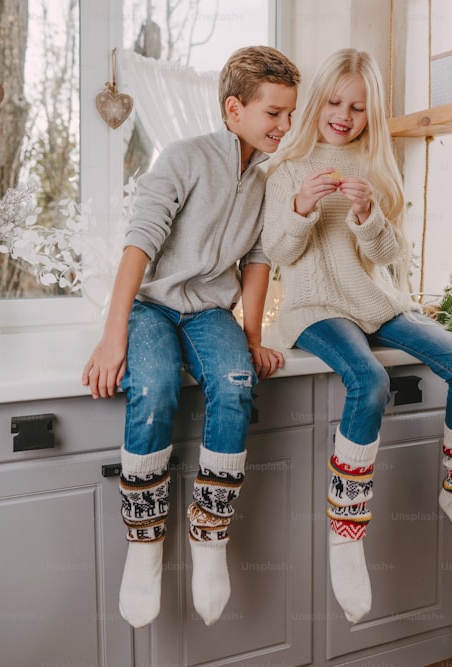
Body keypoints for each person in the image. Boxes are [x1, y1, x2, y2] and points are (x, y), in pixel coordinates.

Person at [262, 48, 452, 624]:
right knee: (367, 380)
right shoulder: (284, 169)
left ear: (371, 115)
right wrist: (301, 207)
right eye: (336, 102)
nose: (344, 116)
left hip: (377, 302)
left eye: (359, 108)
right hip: (315, 307)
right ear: (318, 100)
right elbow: (276, 253)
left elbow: (390, 257)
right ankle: (346, 534)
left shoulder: (374, 167)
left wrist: (369, 217)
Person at [81, 45, 300, 629]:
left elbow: (256, 260)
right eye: (273, 113)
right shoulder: (183, 158)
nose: (285, 126)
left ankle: (210, 538)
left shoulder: (265, 180)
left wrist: (251, 336)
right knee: (152, 388)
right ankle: (145, 544)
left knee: (235, 384)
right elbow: (140, 242)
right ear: (234, 109)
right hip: (152, 307)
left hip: (209, 314)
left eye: (289, 114)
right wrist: (113, 334)